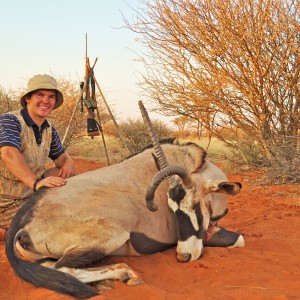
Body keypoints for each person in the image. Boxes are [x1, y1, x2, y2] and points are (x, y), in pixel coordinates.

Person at [0, 74, 76, 241]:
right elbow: (8, 153)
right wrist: (36, 182)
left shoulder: (49, 128)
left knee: (62, 173)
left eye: (51, 97)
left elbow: (60, 156)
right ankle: (8, 234)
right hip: (6, 199)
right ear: (28, 98)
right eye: (40, 95)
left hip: (31, 193)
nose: (45, 101)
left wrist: (68, 162)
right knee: (41, 231)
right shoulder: (10, 120)